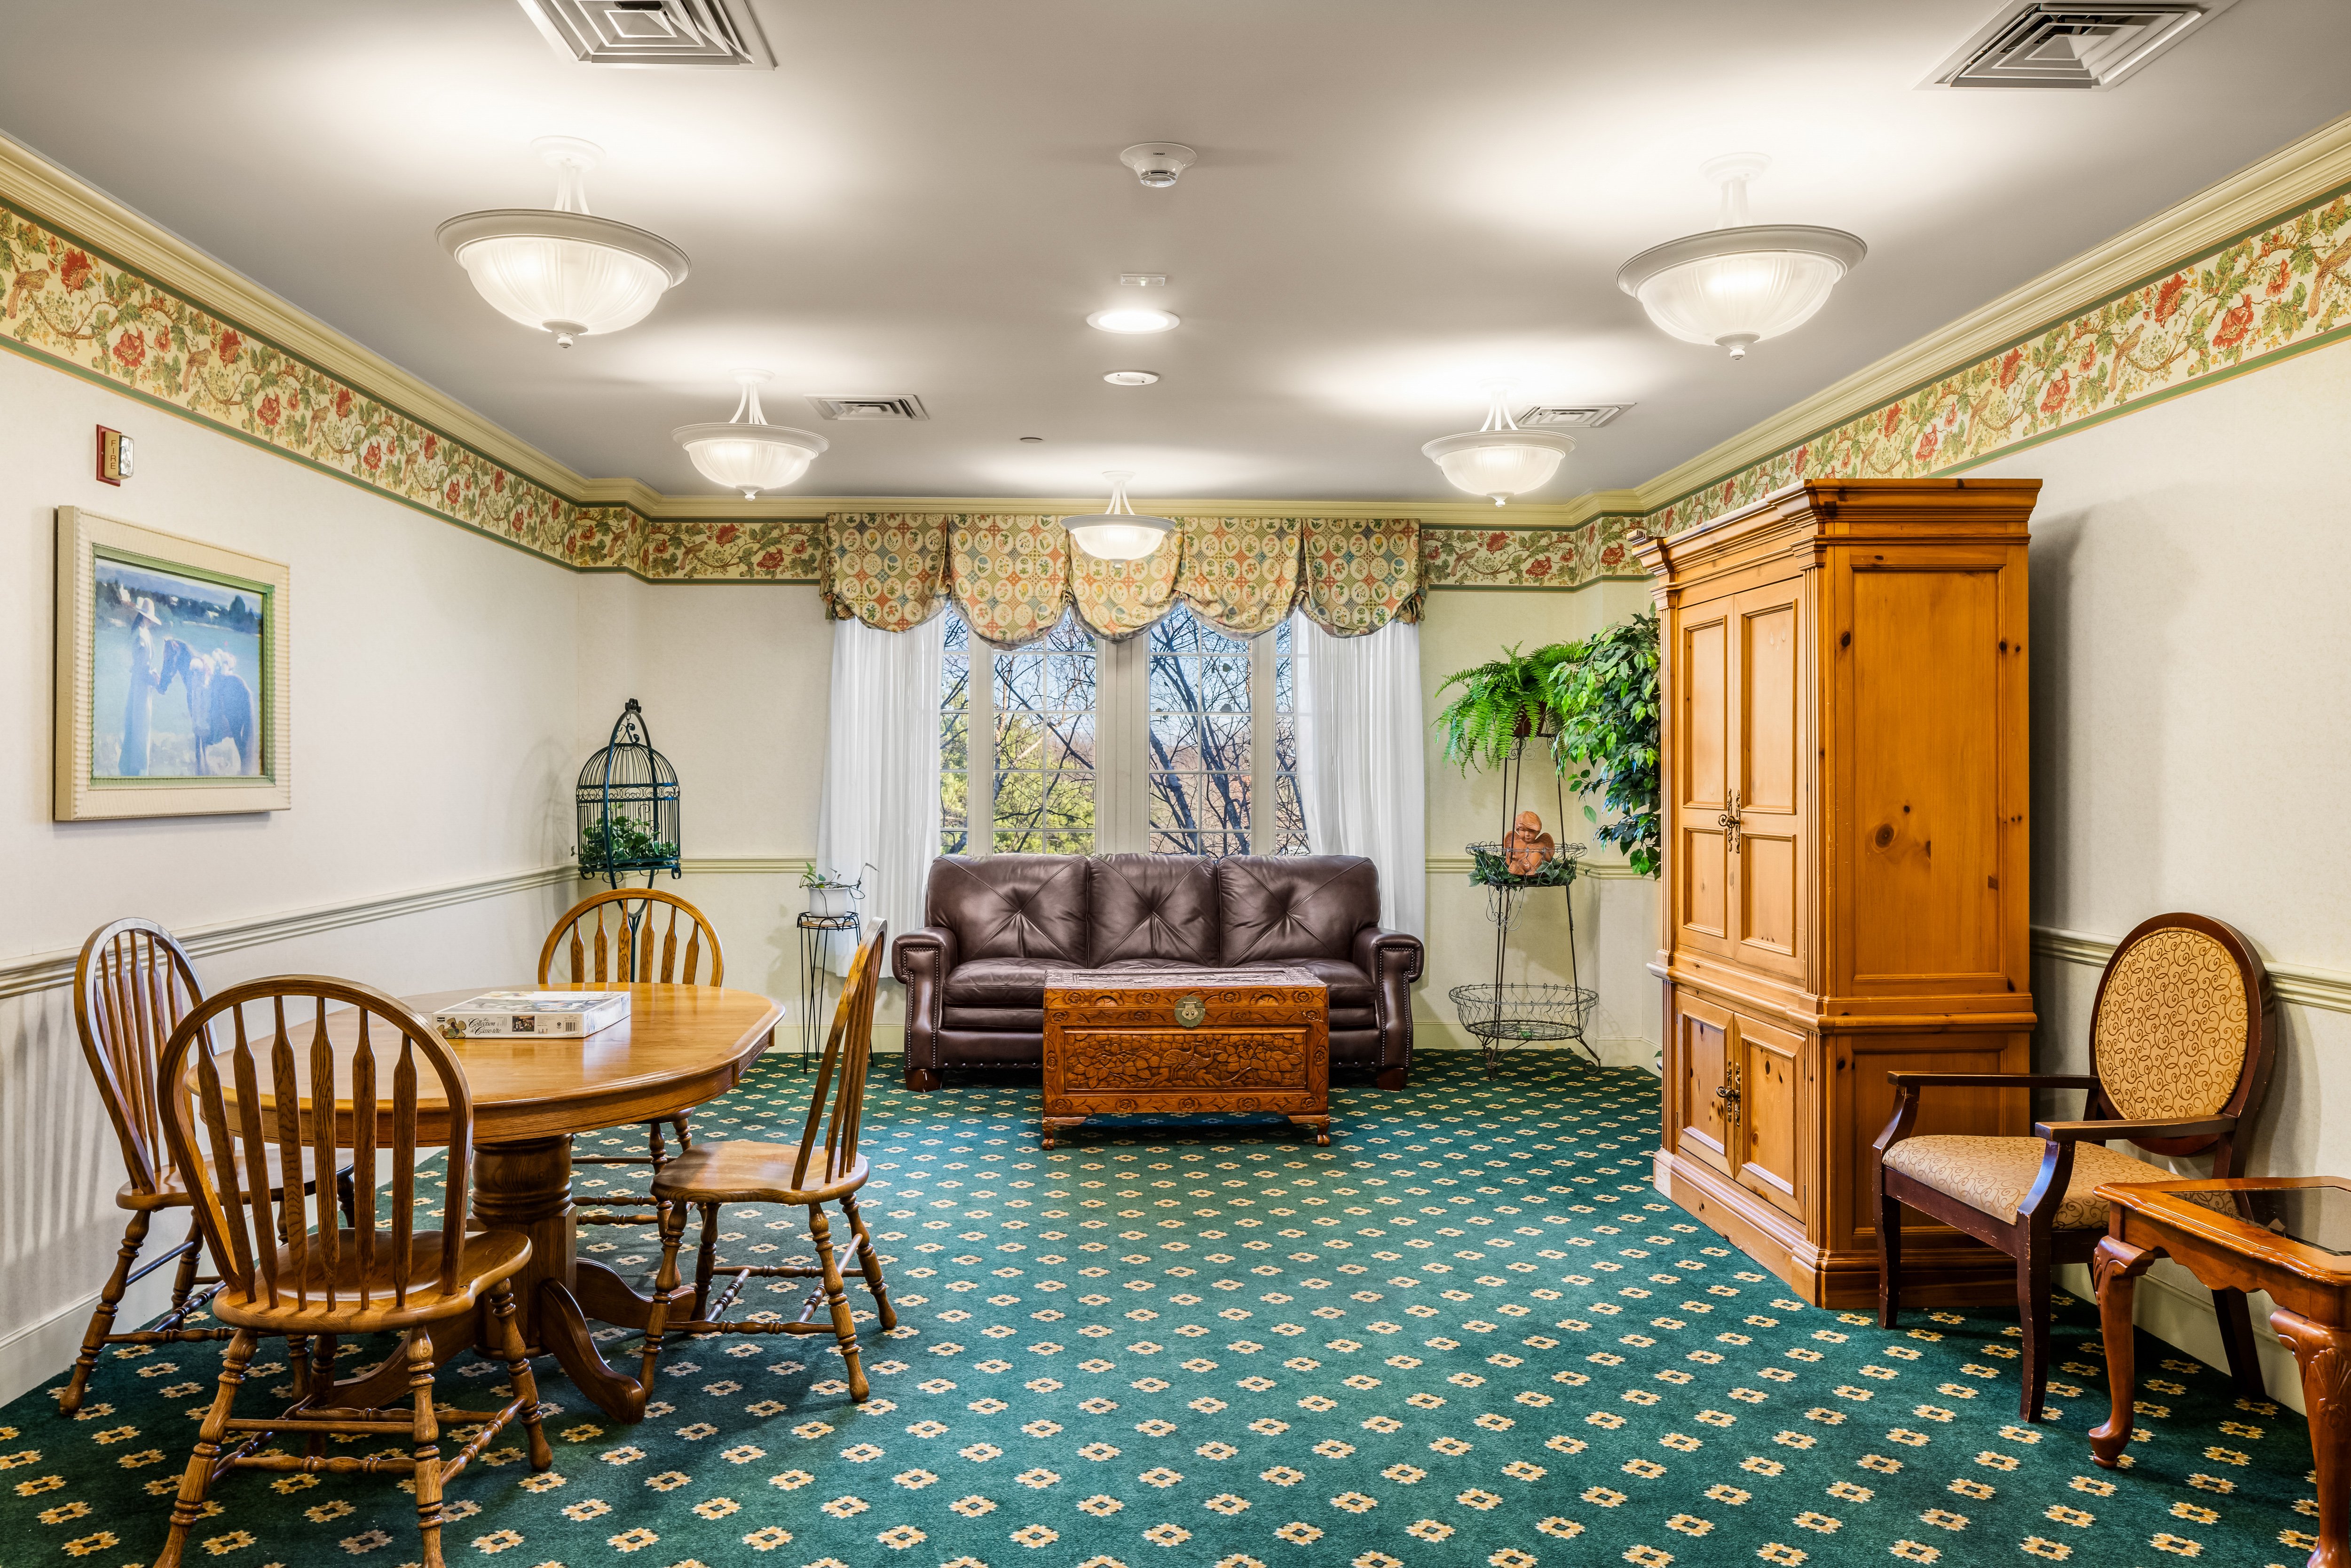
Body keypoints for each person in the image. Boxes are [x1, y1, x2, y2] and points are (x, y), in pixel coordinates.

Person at [118, 594, 164, 776]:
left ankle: (134, 764)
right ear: (145, 617)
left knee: (139, 722)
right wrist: (151, 678)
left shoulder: (144, 632)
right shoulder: (140, 635)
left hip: (142, 685)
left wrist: (153, 673)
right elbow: (140, 666)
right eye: (150, 618)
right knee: (140, 723)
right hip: (140, 686)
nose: (151, 622)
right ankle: (136, 766)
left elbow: (145, 665)